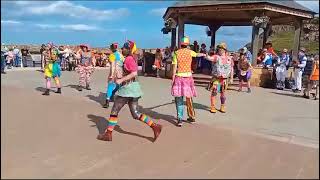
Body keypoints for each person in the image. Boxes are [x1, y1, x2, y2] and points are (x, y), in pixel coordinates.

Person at [97, 40, 162, 142]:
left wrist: (121, 80)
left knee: (115, 110)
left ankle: (108, 134)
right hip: (134, 89)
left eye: (124, 48)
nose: (122, 49)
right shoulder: (131, 58)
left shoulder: (129, 59)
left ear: (129, 50)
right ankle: (155, 126)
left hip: (127, 89)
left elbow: (134, 73)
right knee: (135, 114)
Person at [171, 36, 206, 126]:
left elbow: (174, 67)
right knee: (189, 98)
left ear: (181, 44)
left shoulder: (176, 53)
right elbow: (197, 54)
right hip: (188, 78)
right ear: (187, 45)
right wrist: (203, 54)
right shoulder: (190, 52)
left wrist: (173, 79)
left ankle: (180, 119)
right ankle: (192, 116)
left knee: (179, 99)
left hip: (179, 77)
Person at [205, 42, 232, 113]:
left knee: (223, 93)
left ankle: (222, 106)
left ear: (225, 50)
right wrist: (207, 56)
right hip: (216, 78)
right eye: (219, 49)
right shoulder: (216, 57)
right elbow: (210, 58)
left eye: (221, 49)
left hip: (224, 79)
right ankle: (213, 106)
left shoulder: (229, 58)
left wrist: (231, 78)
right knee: (214, 92)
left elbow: (231, 68)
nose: (220, 50)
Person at [103, 43, 124, 109]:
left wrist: (111, 75)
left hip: (114, 72)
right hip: (120, 72)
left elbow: (112, 65)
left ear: (112, 48)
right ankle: (113, 95)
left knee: (110, 86)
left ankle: (107, 101)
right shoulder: (121, 55)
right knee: (119, 86)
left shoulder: (112, 55)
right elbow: (123, 63)